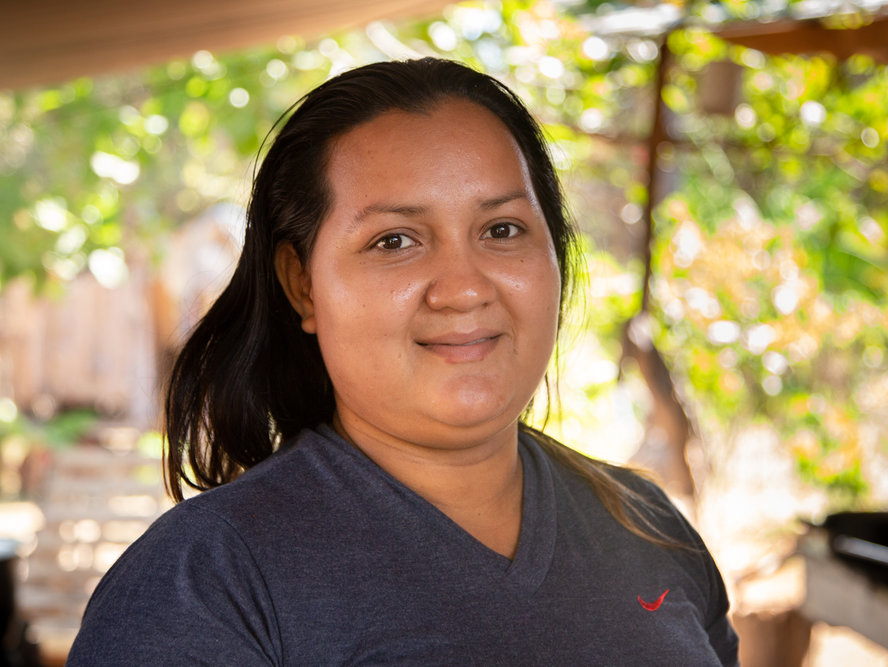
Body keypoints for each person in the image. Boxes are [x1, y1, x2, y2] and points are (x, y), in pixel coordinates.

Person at [67, 58, 739, 665]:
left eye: (501, 230)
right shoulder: (207, 583)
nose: (465, 286)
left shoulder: (646, 526)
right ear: (302, 283)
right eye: (395, 240)